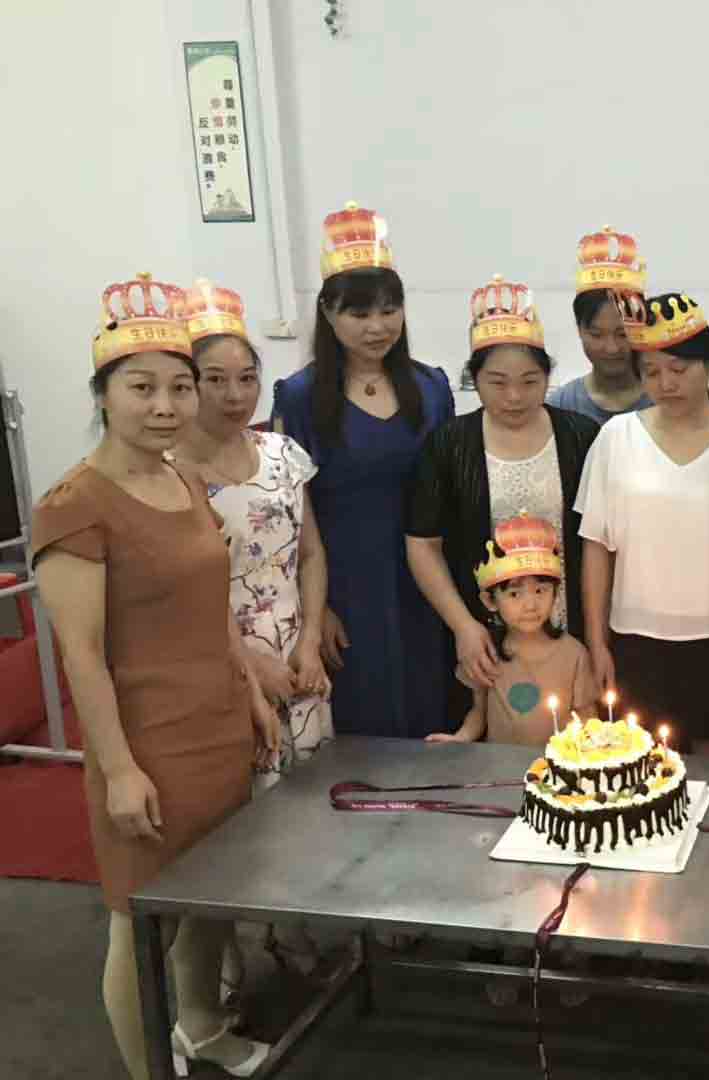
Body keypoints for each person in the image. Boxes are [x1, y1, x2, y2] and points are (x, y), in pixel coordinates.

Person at [33, 272, 277, 1078]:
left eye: (179, 387)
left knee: (211, 900)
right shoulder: (75, 504)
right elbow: (81, 654)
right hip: (147, 744)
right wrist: (119, 769)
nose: (165, 406)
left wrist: (250, 695)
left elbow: (214, 607)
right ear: (104, 395)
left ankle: (202, 1029)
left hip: (217, 728)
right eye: (141, 388)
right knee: (139, 922)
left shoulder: (184, 480)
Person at [172, 280, 336, 989]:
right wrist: (249, 667)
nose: (235, 394)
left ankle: (295, 932)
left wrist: (308, 641)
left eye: (247, 377)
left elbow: (312, 554)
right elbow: (184, 594)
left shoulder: (282, 454)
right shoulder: (170, 473)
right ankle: (222, 975)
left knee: (304, 805)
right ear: (188, 384)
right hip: (221, 661)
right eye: (215, 379)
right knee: (235, 821)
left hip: (298, 656)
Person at [272, 201, 455, 738]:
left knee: (431, 712)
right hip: (346, 586)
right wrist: (317, 611)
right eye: (359, 313)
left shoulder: (431, 387)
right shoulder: (300, 397)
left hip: (425, 581)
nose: (378, 327)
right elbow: (291, 515)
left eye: (389, 309)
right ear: (328, 314)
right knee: (363, 722)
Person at [576, 291, 709, 756]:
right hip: (634, 641)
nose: (666, 383)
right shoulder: (616, 438)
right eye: (652, 372)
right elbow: (597, 549)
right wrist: (598, 643)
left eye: (679, 369)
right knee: (639, 772)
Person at [407, 275, 601, 721]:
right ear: (474, 380)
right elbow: (423, 544)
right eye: (497, 382)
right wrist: (464, 626)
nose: (514, 397)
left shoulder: (580, 436)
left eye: (530, 381)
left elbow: (597, 543)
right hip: (486, 640)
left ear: (547, 377)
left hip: (568, 635)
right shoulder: (449, 444)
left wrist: (596, 635)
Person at [426, 513, 598, 745]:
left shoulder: (574, 655)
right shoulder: (486, 654)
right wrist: (460, 738)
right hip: (499, 766)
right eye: (515, 594)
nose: (530, 605)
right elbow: (479, 713)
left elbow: (588, 718)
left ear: (555, 593)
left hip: (554, 765)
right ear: (490, 601)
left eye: (540, 590)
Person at [548, 225, 652, 423]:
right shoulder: (560, 406)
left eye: (622, 334)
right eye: (597, 335)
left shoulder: (664, 400)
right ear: (580, 330)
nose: (612, 348)